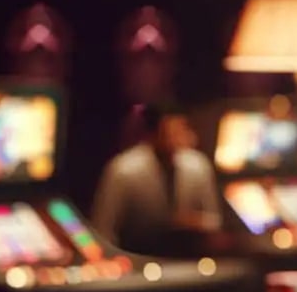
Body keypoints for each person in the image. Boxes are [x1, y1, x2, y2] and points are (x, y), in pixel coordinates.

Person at [91, 101, 222, 256]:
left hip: (187, 260)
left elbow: (215, 221)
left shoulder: (198, 166)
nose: (179, 137)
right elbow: (104, 229)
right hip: (136, 259)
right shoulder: (124, 170)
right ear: (152, 134)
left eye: (182, 129)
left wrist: (195, 221)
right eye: (171, 131)